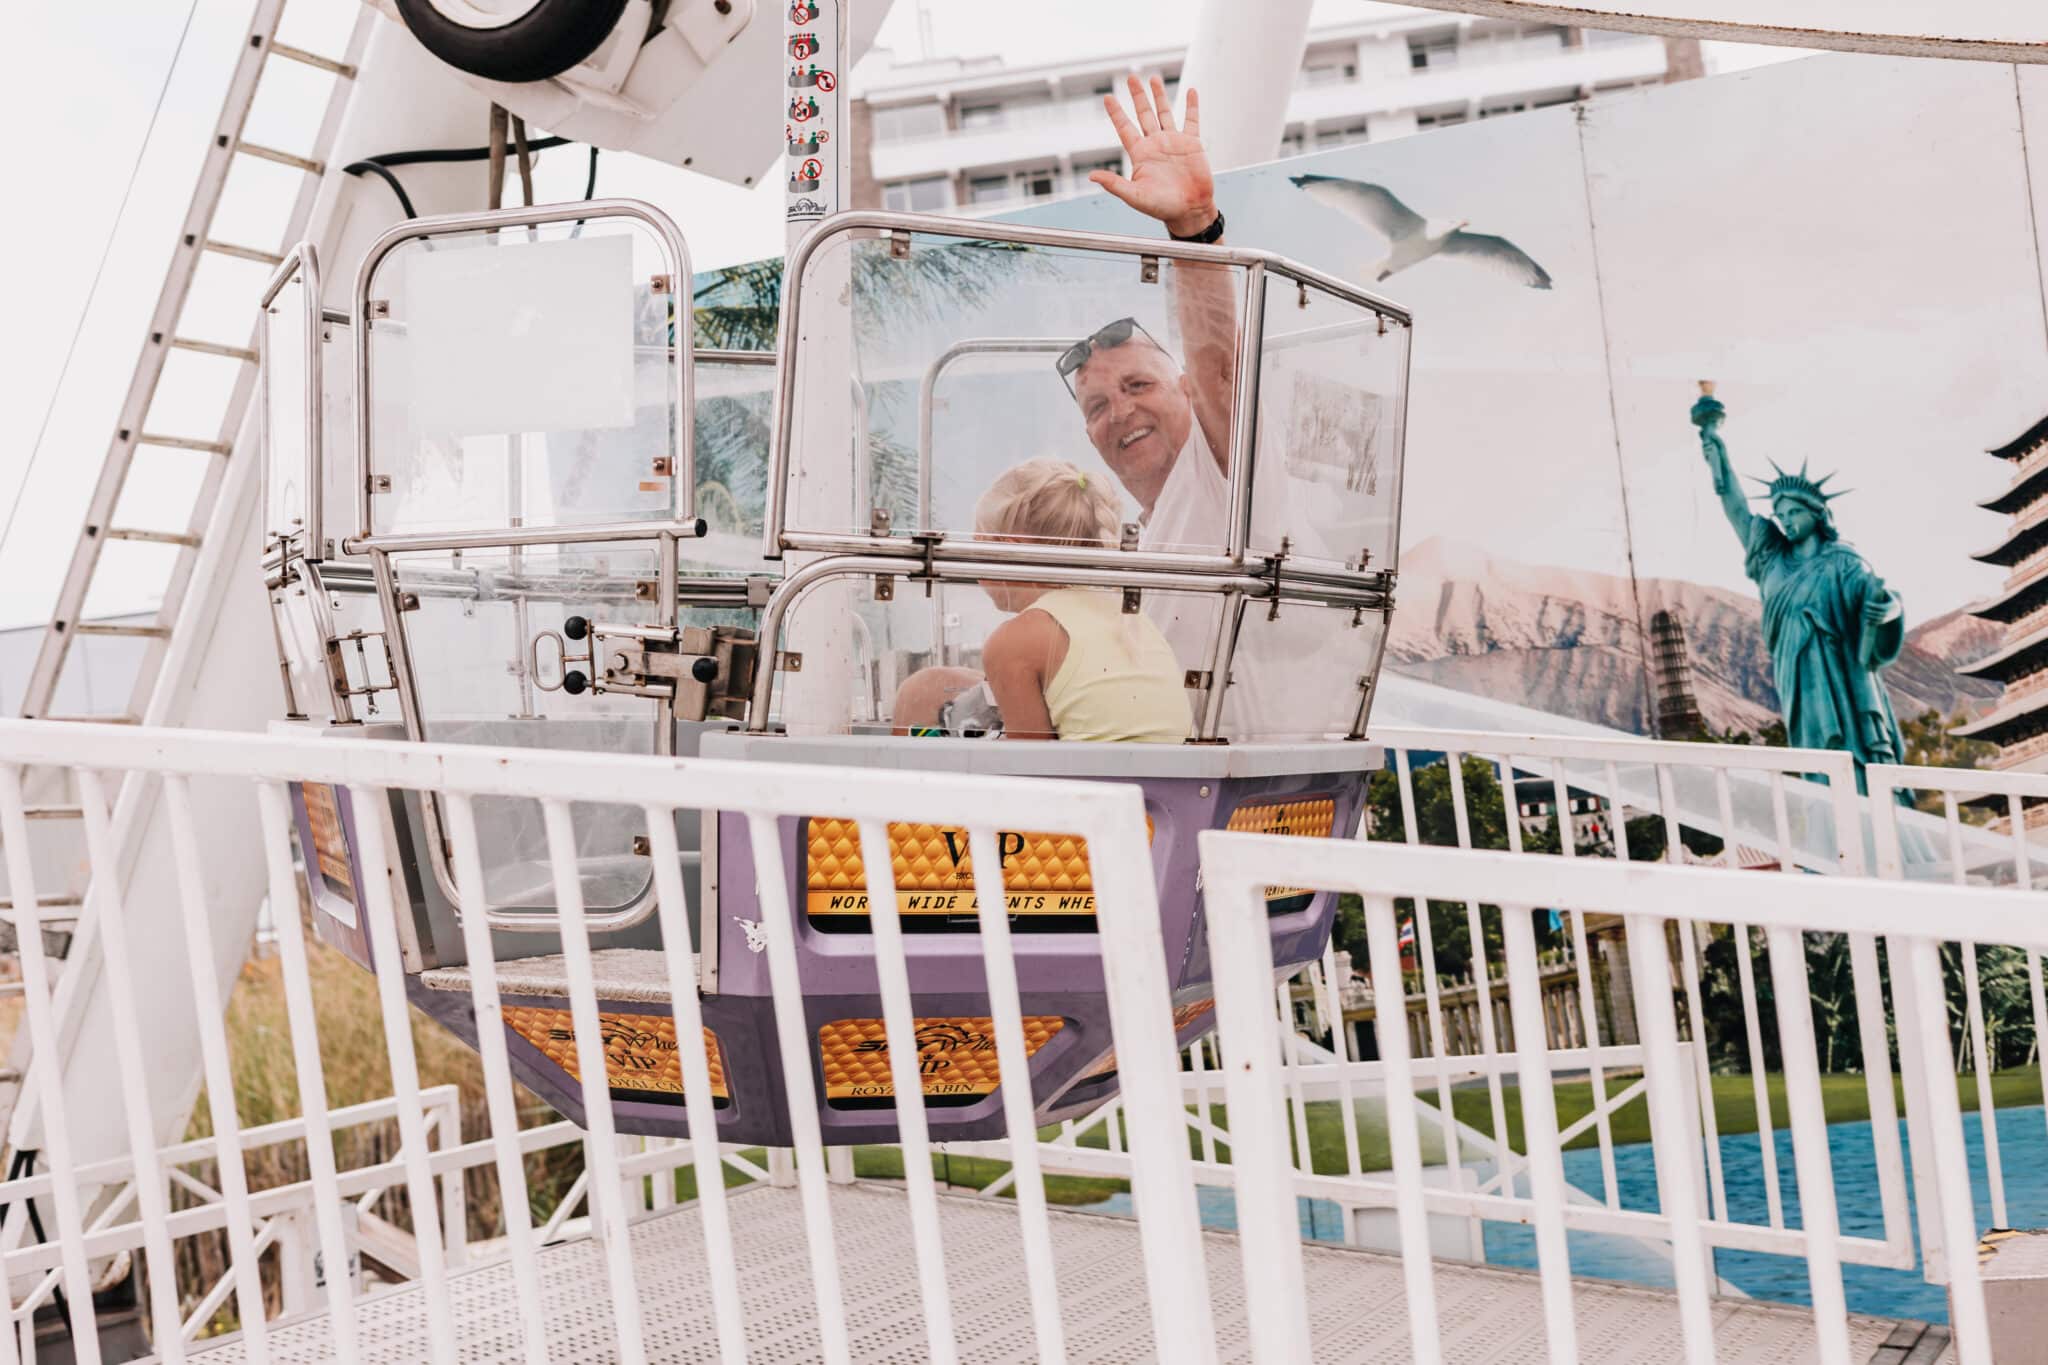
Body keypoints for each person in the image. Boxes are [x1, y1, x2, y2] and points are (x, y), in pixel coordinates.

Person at [1692, 388, 1906, 791]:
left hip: (1841, 674)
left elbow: (1878, 599)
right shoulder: (1771, 559)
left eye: (1794, 513)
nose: (1786, 521)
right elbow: (1735, 506)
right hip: (1794, 675)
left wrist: (1890, 609)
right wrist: (1714, 442)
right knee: (1815, 764)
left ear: (1816, 514)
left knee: (1850, 754)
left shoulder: (1842, 561)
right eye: (1780, 514)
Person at [972, 458, 1192, 742]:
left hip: (1100, 784)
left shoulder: (1013, 642)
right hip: (1181, 782)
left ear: (1008, 552)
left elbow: (1029, 768)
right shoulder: (1129, 617)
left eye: (975, 547)